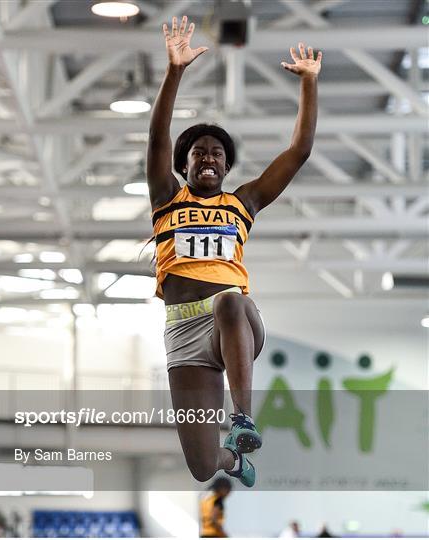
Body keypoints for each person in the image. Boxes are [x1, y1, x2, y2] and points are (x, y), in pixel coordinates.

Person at [146, 15, 321, 487]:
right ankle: (234, 459)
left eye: (217, 153)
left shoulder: (243, 201)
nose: (208, 157)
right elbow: (157, 137)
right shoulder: (167, 198)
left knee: (228, 297)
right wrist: (175, 71)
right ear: (184, 166)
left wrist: (309, 84)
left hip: (237, 320)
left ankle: (243, 417)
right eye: (199, 152)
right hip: (184, 330)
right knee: (203, 467)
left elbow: (298, 152)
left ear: (226, 167)